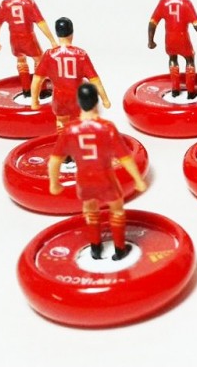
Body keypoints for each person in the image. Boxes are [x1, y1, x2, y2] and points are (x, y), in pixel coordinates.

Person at [49, 83, 147, 260]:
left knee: (90, 209)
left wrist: (54, 183)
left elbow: (55, 160)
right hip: (105, 177)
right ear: (96, 102)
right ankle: (119, 249)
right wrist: (138, 180)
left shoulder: (70, 130)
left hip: (84, 179)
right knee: (116, 209)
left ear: (78, 102)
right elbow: (125, 157)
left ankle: (95, 247)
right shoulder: (107, 127)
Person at [31, 18, 110, 131]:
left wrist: (34, 101)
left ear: (57, 33)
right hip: (77, 98)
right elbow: (95, 80)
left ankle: (62, 140)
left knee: (61, 121)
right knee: (80, 123)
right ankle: (78, 139)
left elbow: (37, 80)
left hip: (59, 98)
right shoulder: (81, 54)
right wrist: (105, 99)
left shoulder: (49, 55)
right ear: (72, 33)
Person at [0, 0, 57, 96]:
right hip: (28, 37)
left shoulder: (5, 4)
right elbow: (41, 22)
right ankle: (41, 89)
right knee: (39, 60)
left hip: (14, 39)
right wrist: (52, 40)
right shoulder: (28, 3)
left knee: (21, 61)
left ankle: (26, 89)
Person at [148, 0, 197, 99]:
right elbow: (196, 24)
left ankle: (175, 89)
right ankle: (190, 91)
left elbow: (152, 23)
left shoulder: (163, 3)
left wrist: (151, 40)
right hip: (183, 38)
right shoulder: (186, 3)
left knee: (172, 58)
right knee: (190, 59)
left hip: (169, 39)